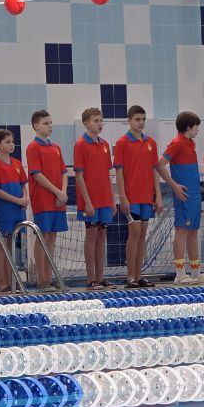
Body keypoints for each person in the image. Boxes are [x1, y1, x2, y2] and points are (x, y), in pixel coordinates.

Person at [163, 111, 204, 284]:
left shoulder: (190, 143)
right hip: (184, 194)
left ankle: (195, 271)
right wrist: (174, 185)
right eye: (196, 126)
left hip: (193, 194)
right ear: (188, 127)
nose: (198, 130)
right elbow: (159, 164)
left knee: (193, 232)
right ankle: (179, 273)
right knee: (181, 231)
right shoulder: (177, 143)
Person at [112, 106, 160, 289]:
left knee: (143, 235)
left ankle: (139, 275)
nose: (141, 123)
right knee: (135, 233)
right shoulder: (122, 143)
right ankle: (130, 276)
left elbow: (154, 170)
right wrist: (122, 196)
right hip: (131, 197)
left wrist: (158, 196)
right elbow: (119, 172)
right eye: (137, 119)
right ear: (129, 121)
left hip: (147, 197)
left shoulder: (150, 143)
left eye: (143, 119)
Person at [26, 110, 69, 289]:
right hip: (43, 199)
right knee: (42, 237)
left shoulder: (56, 148)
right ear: (36, 126)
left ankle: (50, 278)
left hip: (58, 199)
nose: (50, 126)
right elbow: (37, 175)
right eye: (46, 123)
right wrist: (57, 192)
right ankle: (41, 279)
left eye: (51, 123)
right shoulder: (33, 147)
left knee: (52, 238)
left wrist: (63, 192)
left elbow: (64, 172)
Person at [74, 108, 114, 289]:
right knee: (91, 235)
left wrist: (112, 199)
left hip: (105, 198)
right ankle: (90, 279)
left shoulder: (104, 144)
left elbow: (106, 174)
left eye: (100, 120)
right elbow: (79, 176)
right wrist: (88, 201)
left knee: (102, 235)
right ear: (86, 123)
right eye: (96, 121)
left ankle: (100, 277)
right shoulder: (81, 144)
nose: (99, 124)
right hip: (90, 200)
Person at [0, 129, 29, 293]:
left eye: (12, 141)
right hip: (4, 210)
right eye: (7, 142)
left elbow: (23, 184)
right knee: (1, 245)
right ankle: (2, 282)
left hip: (18, 209)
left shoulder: (17, 163)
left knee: (13, 246)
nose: (11, 144)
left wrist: (25, 198)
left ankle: (12, 280)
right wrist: (17, 200)